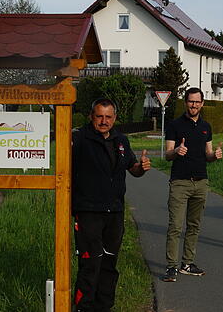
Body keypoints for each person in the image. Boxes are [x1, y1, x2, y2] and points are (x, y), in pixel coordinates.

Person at [71, 98, 151, 312]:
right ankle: (83, 308)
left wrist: (142, 167)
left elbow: (133, 169)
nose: (104, 121)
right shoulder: (79, 138)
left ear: (115, 118)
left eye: (108, 117)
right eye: (99, 116)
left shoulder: (121, 140)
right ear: (91, 116)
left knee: (109, 264)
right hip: (88, 211)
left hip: (115, 211)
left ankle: (104, 307)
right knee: (90, 264)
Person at [162, 87, 223, 282]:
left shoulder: (206, 126)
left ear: (202, 104)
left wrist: (215, 156)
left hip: (201, 182)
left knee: (194, 226)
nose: (194, 105)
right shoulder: (174, 125)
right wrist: (176, 150)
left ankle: (187, 263)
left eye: (197, 102)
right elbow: (167, 154)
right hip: (180, 182)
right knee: (175, 226)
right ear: (185, 102)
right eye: (191, 101)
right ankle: (171, 267)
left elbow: (208, 154)